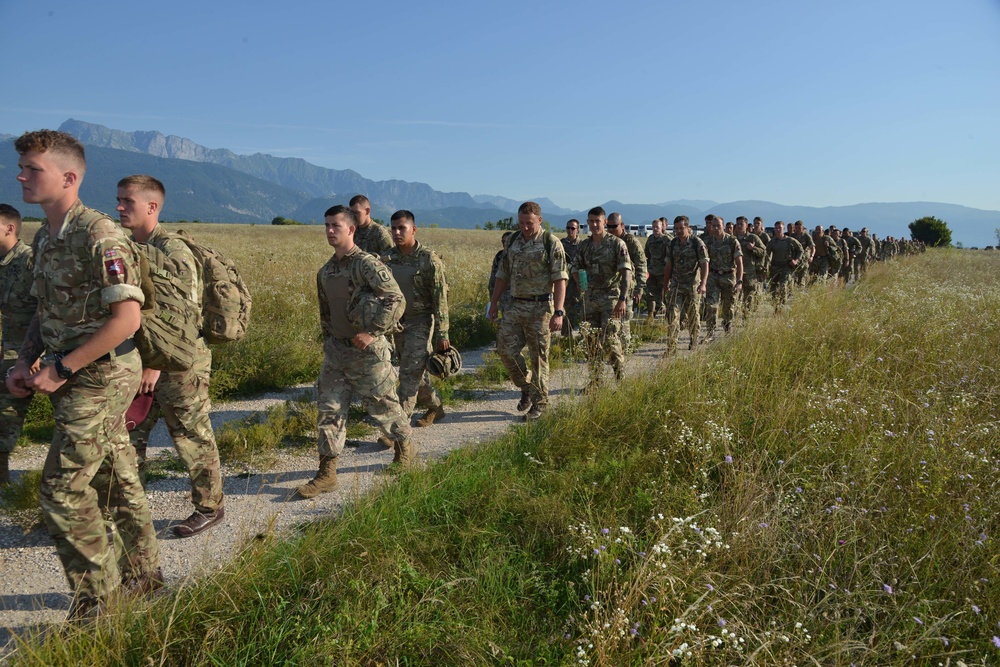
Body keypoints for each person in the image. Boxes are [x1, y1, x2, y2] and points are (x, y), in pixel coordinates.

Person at [9, 130, 160, 617]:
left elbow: (127, 320)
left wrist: (61, 368)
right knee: (116, 476)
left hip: (101, 374)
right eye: (23, 167)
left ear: (69, 177)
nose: (21, 176)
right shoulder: (45, 236)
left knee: (61, 489)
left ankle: (98, 604)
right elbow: (42, 309)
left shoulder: (100, 235)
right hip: (68, 370)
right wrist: (25, 359)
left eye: (34, 169)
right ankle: (145, 576)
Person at [116, 175, 226, 537]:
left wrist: (153, 364)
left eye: (127, 202)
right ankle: (129, 509)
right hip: (143, 357)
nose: (119, 207)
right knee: (131, 434)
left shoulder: (172, 251)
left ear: (152, 206)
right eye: (118, 200)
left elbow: (178, 318)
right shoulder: (130, 246)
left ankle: (210, 507)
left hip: (178, 360)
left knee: (191, 435)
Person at [298, 205, 413, 498]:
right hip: (337, 352)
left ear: (351, 229)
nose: (329, 230)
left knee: (384, 408)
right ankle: (327, 474)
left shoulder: (366, 265)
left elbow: (395, 299)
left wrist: (373, 331)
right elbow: (326, 312)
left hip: (367, 353)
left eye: (335, 225)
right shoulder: (326, 271)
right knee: (329, 411)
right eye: (326, 225)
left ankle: (404, 451)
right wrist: (328, 341)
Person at [488, 202, 567, 420]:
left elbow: (560, 279)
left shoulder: (551, 243)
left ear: (539, 220)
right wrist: (494, 303)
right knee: (505, 350)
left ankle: (539, 403)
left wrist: (558, 311)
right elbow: (502, 275)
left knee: (538, 357)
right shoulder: (513, 241)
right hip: (515, 305)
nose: (524, 227)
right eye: (521, 223)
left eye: (529, 223)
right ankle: (526, 387)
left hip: (540, 308)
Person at [383, 210, 449, 427]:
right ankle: (435, 407)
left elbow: (440, 299)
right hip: (396, 325)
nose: (397, 232)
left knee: (409, 373)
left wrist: (442, 333)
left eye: (402, 228)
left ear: (413, 229)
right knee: (415, 372)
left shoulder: (429, 260)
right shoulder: (388, 258)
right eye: (393, 228)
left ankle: (398, 428)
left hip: (420, 322)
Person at [572, 207, 631, 386]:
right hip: (590, 299)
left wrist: (622, 300)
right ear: (587, 223)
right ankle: (596, 381)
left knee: (611, 341)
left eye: (598, 221)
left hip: (611, 298)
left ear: (604, 222)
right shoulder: (584, 246)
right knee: (590, 341)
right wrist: (580, 283)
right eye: (591, 221)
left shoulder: (616, 244)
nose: (595, 225)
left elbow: (626, 273)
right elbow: (575, 267)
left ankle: (620, 380)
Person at [0, 204, 38, 484]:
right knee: (4, 418)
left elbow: (47, 309)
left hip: (34, 354)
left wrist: (34, 353)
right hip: (9, 351)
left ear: (9, 228)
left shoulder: (29, 261)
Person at [662, 216, 708, 353]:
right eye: (676, 228)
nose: (679, 231)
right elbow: (668, 265)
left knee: (693, 314)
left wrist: (703, 283)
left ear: (688, 228)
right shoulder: (672, 244)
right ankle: (671, 347)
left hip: (692, 285)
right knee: (672, 315)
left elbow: (705, 263)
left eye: (681, 228)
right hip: (676, 284)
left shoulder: (697, 243)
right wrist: (665, 285)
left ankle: (694, 340)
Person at [606, 212, 645, 351]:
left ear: (622, 225)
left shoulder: (630, 241)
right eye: (608, 226)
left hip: (627, 287)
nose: (610, 229)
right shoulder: (607, 241)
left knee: (624, 319)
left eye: (614, 226)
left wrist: (639, 289)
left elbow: (641, 265)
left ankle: (625, 349)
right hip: (611, 288)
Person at [702, 215, 743, 339]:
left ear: (723, 227)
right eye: (713, 226)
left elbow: (739, 262)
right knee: (711, 306)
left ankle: (727, 327)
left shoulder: (732, 241)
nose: (715, 228)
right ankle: (710, 333)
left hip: (728, 276)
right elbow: (703, 261)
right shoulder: (708, 242)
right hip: (713, 276)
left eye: (718, 226)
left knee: (728, 306)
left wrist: (739, 281)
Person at [765, 221, 804, 310]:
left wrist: (796, 260)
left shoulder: (789, 240)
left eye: (780, 228)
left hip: (786, 267)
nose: (778, 230)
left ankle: (782, 306)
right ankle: (776, 307)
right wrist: (765, 268)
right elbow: (766, 256)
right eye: (776, 228)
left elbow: (800, 250)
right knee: (773, 289)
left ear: (784, 229)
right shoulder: (772, 242)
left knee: (783, 286)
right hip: (774, 267)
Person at [733, 217, 765, 319]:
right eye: (737, 224)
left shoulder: (753, 238)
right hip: (735, 273)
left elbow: (763, 252)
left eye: (741, 224)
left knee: (749, 299)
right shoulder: (732, 239)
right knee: (734, 297)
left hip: (750, 273)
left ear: (746, 225)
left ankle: (746, 320)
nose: (739, 226)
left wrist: (753, 248)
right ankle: (732, 319)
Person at [643, 218, 670, 318]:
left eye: (657, 227)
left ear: (662, 227)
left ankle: (669, 316)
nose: (655, 229)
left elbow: (671, 257)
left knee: (665, 296)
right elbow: (646, 255)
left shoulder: (666, 240)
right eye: (653, 227)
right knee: (651, 295)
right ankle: (651, 315)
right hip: (652, 272)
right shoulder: (650, 239)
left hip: (663, 273)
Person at [560, 219, 582, 335]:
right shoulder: (560, 244)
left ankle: (574, 333)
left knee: (576, 309)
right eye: (568, 228)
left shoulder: (582, 245)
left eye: (572, 228)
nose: (570, 230)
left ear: (577, 230)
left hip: (576, 282)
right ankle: (564, 335)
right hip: (563, 282)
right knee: (562, 308)